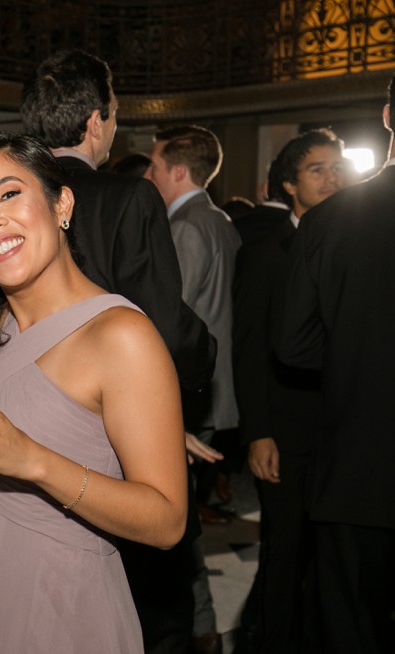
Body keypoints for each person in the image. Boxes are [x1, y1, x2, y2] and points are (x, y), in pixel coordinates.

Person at [0, 131, 186, 653]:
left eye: (8, 195)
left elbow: (166, 521)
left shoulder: (120, 336)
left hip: (64, 602)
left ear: (61, 202)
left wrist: (32, 459)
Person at [20, 49, 215, 654]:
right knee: (152, 597)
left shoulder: (10, 194)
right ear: (98, 120)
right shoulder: (129, 197)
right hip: (114, 424)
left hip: (29, 413)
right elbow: (161, 323)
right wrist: (201, 363)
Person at [275, 52, 395, 654]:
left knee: (348, 631)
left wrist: (358, 359)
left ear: (390, 116)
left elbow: (291, 345)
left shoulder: (330, 219)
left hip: (354, 466)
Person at [233, 128, 346, 653]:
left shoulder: (356, 238)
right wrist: (259, 432)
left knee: (334, 553)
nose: (332, 178)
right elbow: (250, 349)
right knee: (285, 548)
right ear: (289, 185)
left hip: (345, 425)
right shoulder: (265, 251)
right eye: (317, 170)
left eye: (336, 167)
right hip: (286, 427)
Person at [145, 124, 241, 654]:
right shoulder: (221, 220)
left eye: (156, 167)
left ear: (179, 171)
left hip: (187, 391)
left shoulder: (183, 228)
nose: (150, 176)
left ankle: (195, 626)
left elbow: (172, 319)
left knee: (175, 525)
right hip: (216, 388)